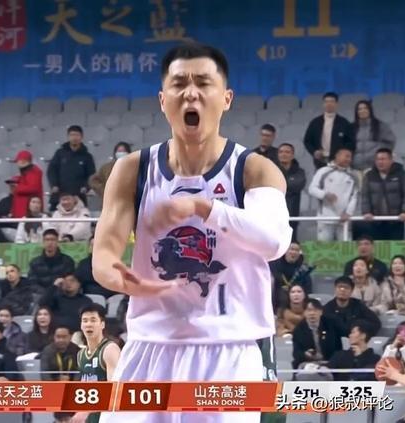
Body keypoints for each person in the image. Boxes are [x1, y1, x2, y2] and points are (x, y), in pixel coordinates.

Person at [93, 42, 292, 423]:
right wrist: (123, 279)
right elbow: (103, 254)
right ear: (162, 99)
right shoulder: (133, 169)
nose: (191, 92)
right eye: (179, 83)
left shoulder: (254, 169)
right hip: (149, 345)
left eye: (203, 82)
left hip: (227, 350)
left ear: (226, 98)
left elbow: (274, 241)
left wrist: (206, 208)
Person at [72, 304, 121, 423]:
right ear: (81, 325)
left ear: (102, 324)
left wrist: (86, 410)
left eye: (93, 320)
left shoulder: (110, 349)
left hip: (108, 417)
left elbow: (115, 390)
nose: (88, 324)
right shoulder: (81, 354)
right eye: (85, 321)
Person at [308, 147, 359, 241]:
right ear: (337, 156)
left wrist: (348, 213)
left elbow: (354, 197)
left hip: (344, 220)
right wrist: (325, 194)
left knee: (346, 248)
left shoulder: (353, 175)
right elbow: (312, 189)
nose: (348, 159)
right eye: (346, 156)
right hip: (325, 218)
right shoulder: (323, 171)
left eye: (350, 157)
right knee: (324, 247)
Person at [47, 125, 96, 211]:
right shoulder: (60, 153)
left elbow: (91, 175)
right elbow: (52, 170)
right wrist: (54, 185)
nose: (74, 138)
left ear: (81, 137)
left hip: (79, 195)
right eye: (72, 135)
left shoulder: (87, 156)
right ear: (68, 137)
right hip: (60, 194)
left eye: (77, 135)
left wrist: (86, 187)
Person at [361, 148, 405, 240]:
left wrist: (404, 211)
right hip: (375, 221)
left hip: (396, 221)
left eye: (383, 159)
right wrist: (366, 212)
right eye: (378, 159)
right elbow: (365, 196)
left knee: (396, 246)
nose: (380, 162)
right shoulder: (369, 175)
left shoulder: (401, 174)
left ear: (391, 160)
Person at [303, 92, 355, 169]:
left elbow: (350, 142)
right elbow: (307, 141)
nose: (329, 104)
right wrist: (314, 151)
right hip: (320, 161)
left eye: (332, 101)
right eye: (326, 102)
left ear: (337, 104)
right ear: (323, 104)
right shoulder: (315, 122)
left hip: (338, 161)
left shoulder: (344, 122)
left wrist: (342, 154)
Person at [291, 298, 348, 369]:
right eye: (309, 310)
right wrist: (305, 354)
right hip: (309, 363)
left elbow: (347, 332)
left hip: (331, 362)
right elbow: (296, 353)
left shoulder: (332, 323)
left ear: (321, 312)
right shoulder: (299, 330)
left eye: (315, 310)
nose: (312, 313)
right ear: (304, 312)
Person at [351, 100, 396, 171]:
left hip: (374, 168)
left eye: (365, 108)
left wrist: (378, 155)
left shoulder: (380, 126)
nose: (362, 111)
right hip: (355, 168)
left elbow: (390, 143)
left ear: (370, 110)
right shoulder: (351, 127)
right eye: (359, 109)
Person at [269, 242, 314, 311]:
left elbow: (308, 292)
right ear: (285, 251)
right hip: (275, 307)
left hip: (298, 309)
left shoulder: (303, 271)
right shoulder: (273, 267)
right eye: (292, 249)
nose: (294, 252)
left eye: (297, 250)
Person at [28, 229, 75, 293]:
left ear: (57, 242)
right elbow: (32, 283)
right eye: (47, 240)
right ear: (43, 243)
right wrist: (47, 293)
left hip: (61, 294)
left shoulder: (67, 261)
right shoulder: (35, 262)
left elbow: (71, 281)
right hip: (41, 295)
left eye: (53, 240)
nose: (50, 243)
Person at [276, 143, 306, 241]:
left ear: (292, 155)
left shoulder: (300, 172)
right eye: (281, 152)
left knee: (291, 243)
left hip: (292, 215)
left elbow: (297, 185)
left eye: (287, 152)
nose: (283, 154)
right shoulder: (271, 170)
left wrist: (278, 185)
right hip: (274, 215)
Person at [11, 150, 44, 218]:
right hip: (22, 209)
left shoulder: (34, 172)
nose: (17, 163)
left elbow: (34, 188)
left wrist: (17, 188)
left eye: (18, 161)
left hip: (26, 210)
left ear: (23, 161)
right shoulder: (26, 172)